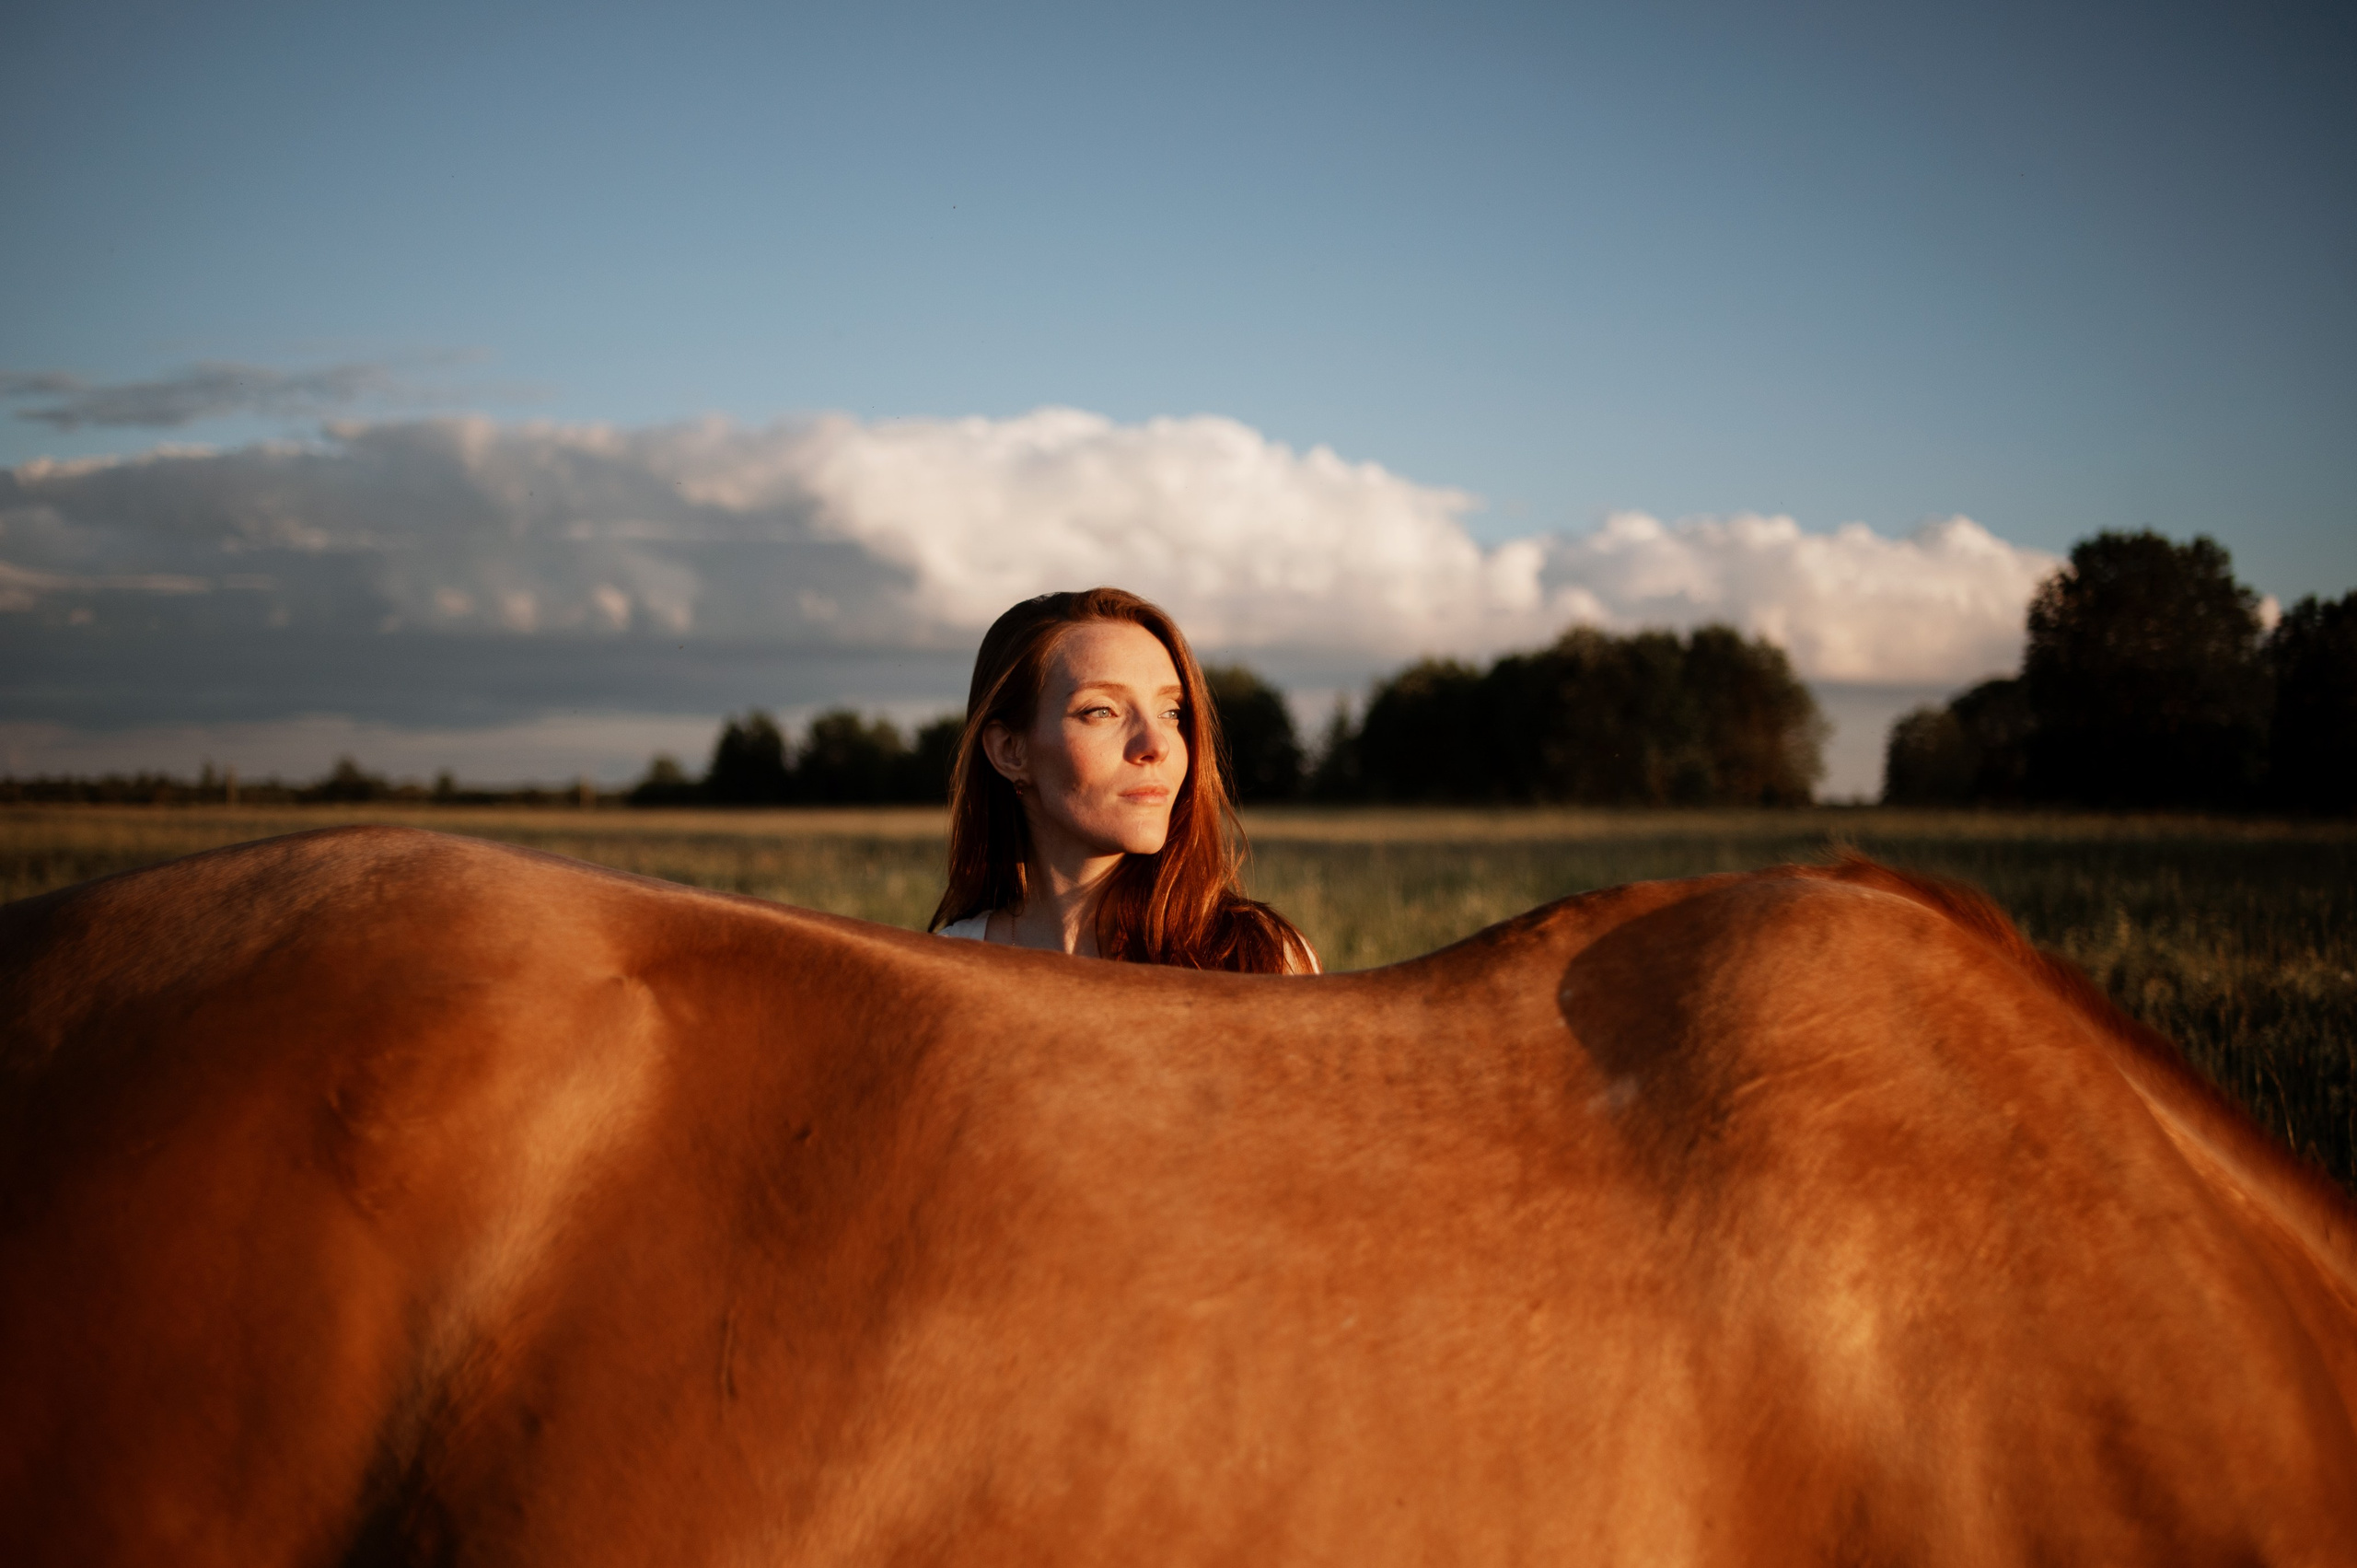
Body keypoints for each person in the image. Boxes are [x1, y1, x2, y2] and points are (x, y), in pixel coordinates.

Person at [929, 587, 1318, 973]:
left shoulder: (1260, 960)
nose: (1156, 745)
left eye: (1171, 712)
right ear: (1009, 751)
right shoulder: (943, 970)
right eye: (1102, 711)